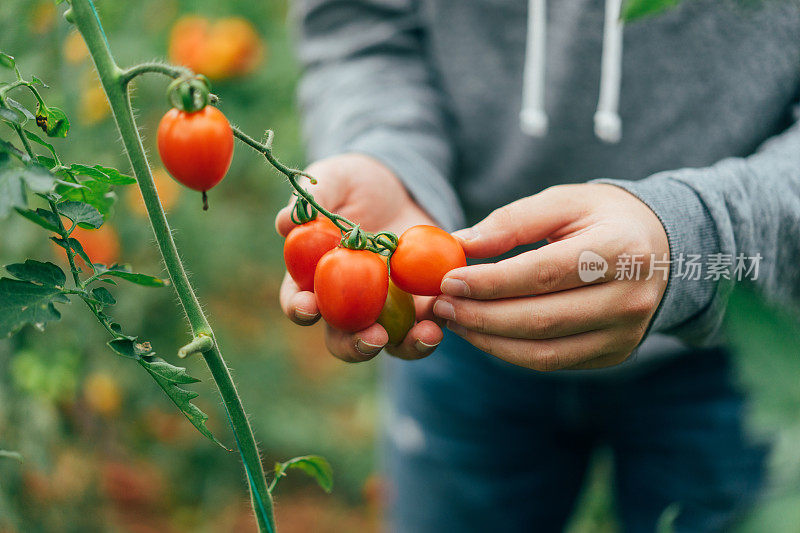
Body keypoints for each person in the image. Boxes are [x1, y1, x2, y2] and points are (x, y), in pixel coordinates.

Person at [277, 0, 800, 531]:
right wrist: (388, 157)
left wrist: (702, 234)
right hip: (453, 328)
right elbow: (359, 20)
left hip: (744, 337)